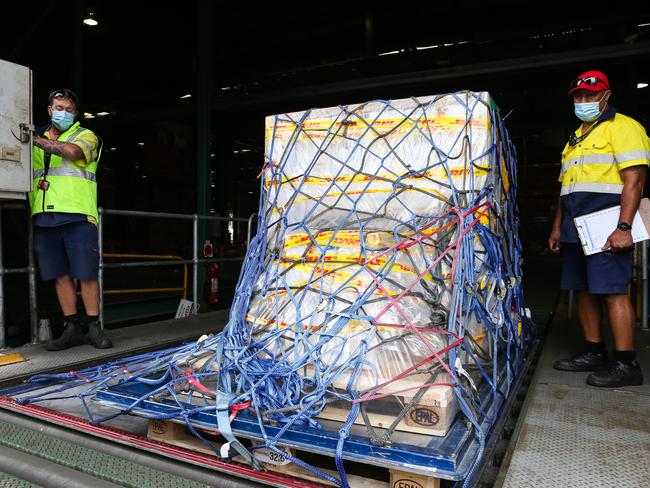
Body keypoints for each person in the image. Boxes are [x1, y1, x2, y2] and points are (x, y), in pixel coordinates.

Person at [548, 70, 649, 387]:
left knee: (612, 291)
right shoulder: (577, 136)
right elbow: (566, 188)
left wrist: (624, 227)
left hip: (605, 221)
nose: (583, 101)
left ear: (606, 96)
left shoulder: (625, 128)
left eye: (590, 96)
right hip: (574, 224)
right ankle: (594, 351)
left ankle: (626, 363)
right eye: (578, 97)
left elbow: (635, 181)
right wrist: (556, 228)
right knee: (583, 290)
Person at [28, 89, 112, 351]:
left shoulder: (86, 136)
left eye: (67, 108)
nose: (61, 112)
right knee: (59, 274)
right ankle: (71, 326)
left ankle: (93, 326)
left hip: (77, 214)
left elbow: (74, 152)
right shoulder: (32, 138)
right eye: (57, 107)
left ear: (75, 113)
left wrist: (34, 140)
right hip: (44, 215)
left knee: (86, 273)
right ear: (49, 109)